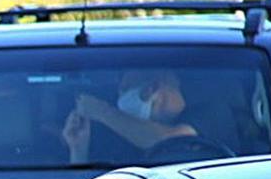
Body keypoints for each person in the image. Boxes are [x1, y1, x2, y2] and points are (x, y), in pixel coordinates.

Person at [63, 70, 199, 164]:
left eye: (125, 88)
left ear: (151, 89)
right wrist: (78, 148)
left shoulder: (203, 116)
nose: (119, 95)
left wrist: (102, 111)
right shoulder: (114, 134)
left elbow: (171, 142)